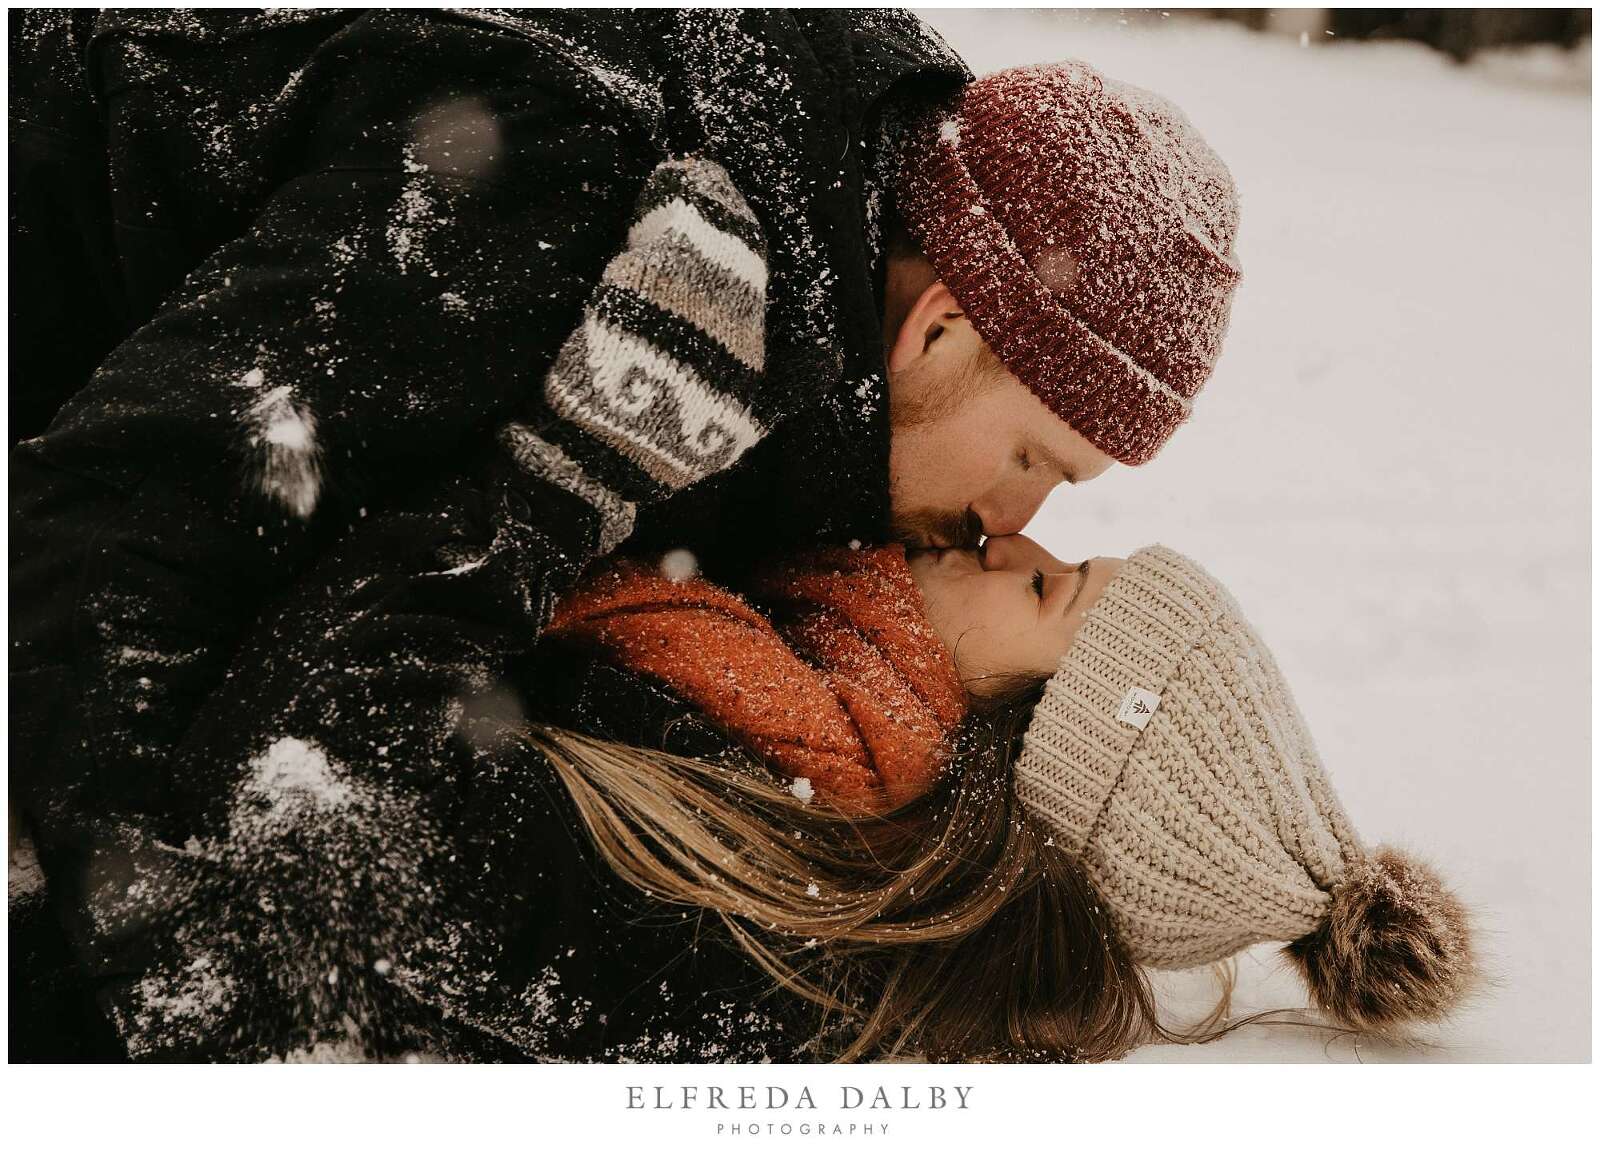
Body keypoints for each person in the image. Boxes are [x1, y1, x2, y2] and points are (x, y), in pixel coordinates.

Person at [10, 12, 1242, 1056]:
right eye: (1034, 458)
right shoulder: (579, 168)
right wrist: (144, 959)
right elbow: (137, 517)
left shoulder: (795, 370)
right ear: (934, 331)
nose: (1013, 524)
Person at [90, 538, 1475, 1062]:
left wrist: (542, 478)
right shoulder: (787, 743)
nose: (1015, 536)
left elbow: (292, 788)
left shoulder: (746, 913)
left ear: (1023, 741)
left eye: (1050, 590)